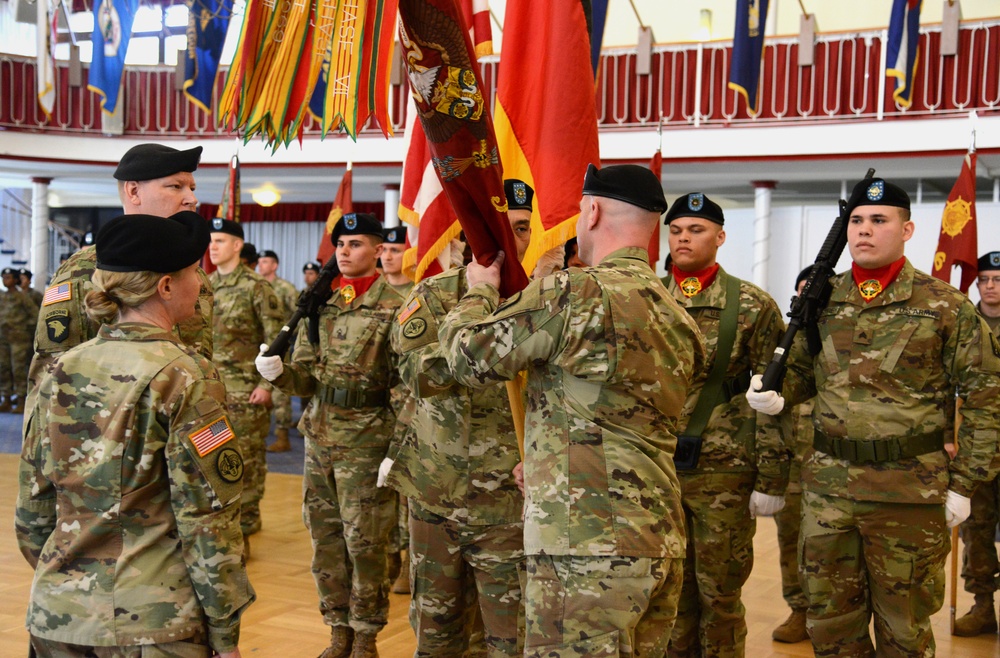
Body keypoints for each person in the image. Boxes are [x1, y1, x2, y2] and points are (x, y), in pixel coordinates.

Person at [436, 164, 705, 656]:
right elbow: (624, 415)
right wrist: (544, 458)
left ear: (593, 210)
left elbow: (467, 357)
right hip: (658, 536)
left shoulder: (575, 292)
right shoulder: (677, 314)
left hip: (583, 545)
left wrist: (478, 288)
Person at [747, 177, 1000, 656]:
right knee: (831, 627)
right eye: (856, 221)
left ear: (906, 230)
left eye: (878, 221)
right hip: (828, 493)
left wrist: (967, 482)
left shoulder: (943, 306)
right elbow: (801, 373)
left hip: (907, 493)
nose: (864, 231)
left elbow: (987, 397)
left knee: (903, 630)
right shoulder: (822, 300)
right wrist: (776, 396)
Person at [15, 210, 255, 658]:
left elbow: (33, 508)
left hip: (57, 617)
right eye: (191, 274)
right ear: (165, 287)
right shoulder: (187, 374)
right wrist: (224, 632)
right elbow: (206, 519)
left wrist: (67, 581)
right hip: (154, 624)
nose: (201, 285)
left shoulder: (60, 369)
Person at [381, 178, 535, 657]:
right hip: (437, 495)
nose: (513, 241)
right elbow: (418, 374)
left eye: (524, 228)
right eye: (499, 229)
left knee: (512, 640)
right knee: (436, 633)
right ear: (473, 233)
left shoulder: (548, 301)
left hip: (513, 503)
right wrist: (479, 304)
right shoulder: (433, 295)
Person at [255, 212, 404, 658]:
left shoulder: (398, 305)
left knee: (366, 541)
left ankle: (366, 634)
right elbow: (306, 379)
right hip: (320, 437)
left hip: (368, 438)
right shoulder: (320, 303)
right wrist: (279, 374)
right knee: (325, 540)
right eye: (340, 242)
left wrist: (397, 448)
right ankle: (337, 628)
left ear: (379, 251)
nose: (344, 250)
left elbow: (406, 385)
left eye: (356, 243)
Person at [660, 192, 788, 658]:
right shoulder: (648, 298)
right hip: (657, 472)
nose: (684, 238)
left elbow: (774, 400)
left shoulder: (753, 305)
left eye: (695, 230)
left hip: (725, 473)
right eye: (676, 230)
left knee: (720, 596)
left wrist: (771, 477)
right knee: (668, 593)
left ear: (720, 237)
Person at [29, 143, 214, 394]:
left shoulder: (192, 272)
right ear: (134, 191)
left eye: (192, 188)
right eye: (176, 186)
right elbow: (50, 380)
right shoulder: (83, 271)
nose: (191, 198)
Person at [208, 219, 285, 545]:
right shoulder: (203, 285)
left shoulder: (257, 287)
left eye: (220, 241)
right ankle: (223, 524)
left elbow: (277, 341)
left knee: (248, 461)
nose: (213, 247)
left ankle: (246, 526)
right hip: (211, 392)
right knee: (214, 461)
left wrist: (266, 386)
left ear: (237, 246)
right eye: (211, 241)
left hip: (246, 392)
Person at [953, 250, 1000, 636]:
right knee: (977, 530)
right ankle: (983, 606)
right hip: (977, 447)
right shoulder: (963, 324)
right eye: (984, 279)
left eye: (998, 280)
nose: (990, 285)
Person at [770, 267, 815, 644]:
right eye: (800, 295)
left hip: (835, 466)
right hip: (792, 465)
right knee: (791, 541)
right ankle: (799, 609)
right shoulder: (779, 349)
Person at [257, 249, 299, 453]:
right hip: (259, 346)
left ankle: (283, 437)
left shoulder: (285, 288)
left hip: (280, 347)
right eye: (260, 262)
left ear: (274, 265)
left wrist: (290, 336)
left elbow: (300, 314)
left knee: (280, 394)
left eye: (265, 262)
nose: (261, 265)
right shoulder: (257, 287)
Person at [0, 266, 38, 413]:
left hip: (19, 339)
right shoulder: (2, 296)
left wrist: (23, 327)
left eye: (8, 278)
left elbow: (35, 315)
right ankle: (6, 399)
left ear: (15, 280)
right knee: (3, 368)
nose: (5, 280)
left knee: (19, 370)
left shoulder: (23, 296)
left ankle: (22, 400)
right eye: (3, 278)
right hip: (3, 337)